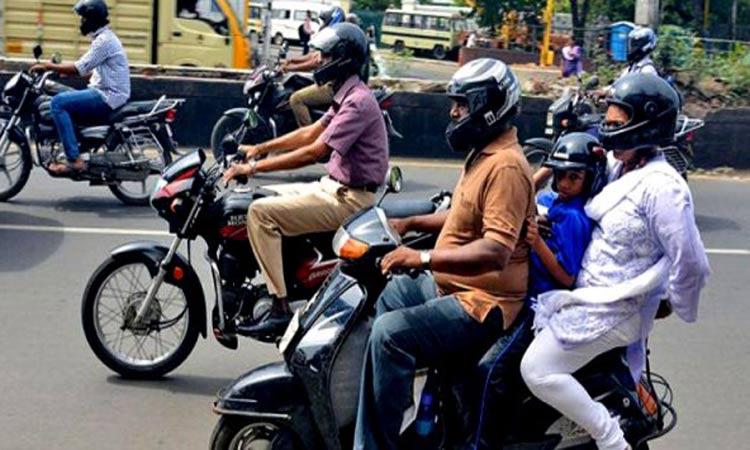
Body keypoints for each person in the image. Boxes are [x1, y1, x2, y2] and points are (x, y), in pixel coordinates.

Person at [520, 73, 711, 450]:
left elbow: (690, 260)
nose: (608, 128)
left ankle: (610, 438)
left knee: (536, 369)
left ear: (646, 125)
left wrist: (670, 301)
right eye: (607, 120)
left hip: (614, 306)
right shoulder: (619, 165)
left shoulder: (664, 188)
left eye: (616, 121)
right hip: (585, 294)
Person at [353, 58, 536, 450]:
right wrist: (412, 223)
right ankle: (400, 398)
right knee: (388, 292)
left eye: (462, 104)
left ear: (489, 106)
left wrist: (420, 258)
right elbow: (462, 215)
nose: (454, 113)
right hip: (452, 288)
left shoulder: (505, 167)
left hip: (484, 304)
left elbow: (496, 250)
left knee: (389, 336)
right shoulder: (483, 153)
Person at [222, 23, 388, 336]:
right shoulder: (347, 94)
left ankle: (279, 307)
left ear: (342, 59)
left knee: (259, 214)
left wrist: (253, 168)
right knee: (264, 196)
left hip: (350, 199)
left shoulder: (358, 102)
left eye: (324, 57)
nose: (319, 62)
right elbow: (309, 132)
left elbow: (315, 151)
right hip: (335, 187)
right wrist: (258, 149)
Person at [467, 132, 606, 449]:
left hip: (538, 309)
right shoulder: (555, 203)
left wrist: (536, 242)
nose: (566, 182)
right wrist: (550, 165)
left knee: (490, 369)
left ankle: (483, 444)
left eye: (575, 176)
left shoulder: (574, 218)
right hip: (519, 296)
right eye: (561, 175)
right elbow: (528, 193)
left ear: (591, 178)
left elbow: (567, 276)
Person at [31, 0, 130, 175]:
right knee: (64, 95)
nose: (81, 22)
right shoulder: (105, 38)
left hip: (108, 95)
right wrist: (62, 74)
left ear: (93, 19)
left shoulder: (104, 42)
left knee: (58, 103)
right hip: (107, 91)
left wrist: (48, 66)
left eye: (84, 18)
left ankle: (73, 160)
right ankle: (78, 146)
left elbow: (79, 67)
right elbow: (92, 71)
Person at [284, 5, 345, 127]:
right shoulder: (337, 36)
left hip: (335, 86)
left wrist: (290, 68)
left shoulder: (336, 39)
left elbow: (316, 62)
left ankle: (306, 137)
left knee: (296, 99)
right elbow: (314, 56)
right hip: (335, 83)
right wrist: (292, 60)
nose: (322, 24)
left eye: (324, 21)